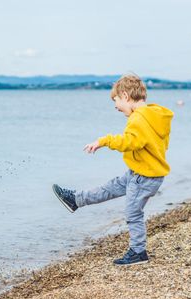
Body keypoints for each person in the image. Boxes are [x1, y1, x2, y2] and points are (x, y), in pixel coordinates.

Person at [52, 74, 174, 265]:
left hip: (144, 176)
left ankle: (138, 252)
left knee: (133, 213)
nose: (115, 105)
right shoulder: (154, 115)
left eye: (115, 100)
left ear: (125, 96)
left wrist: (104, 141)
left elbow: (130, 142)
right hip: (142, 172)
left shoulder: (138, 118)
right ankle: (75, 199)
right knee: (109, 188)